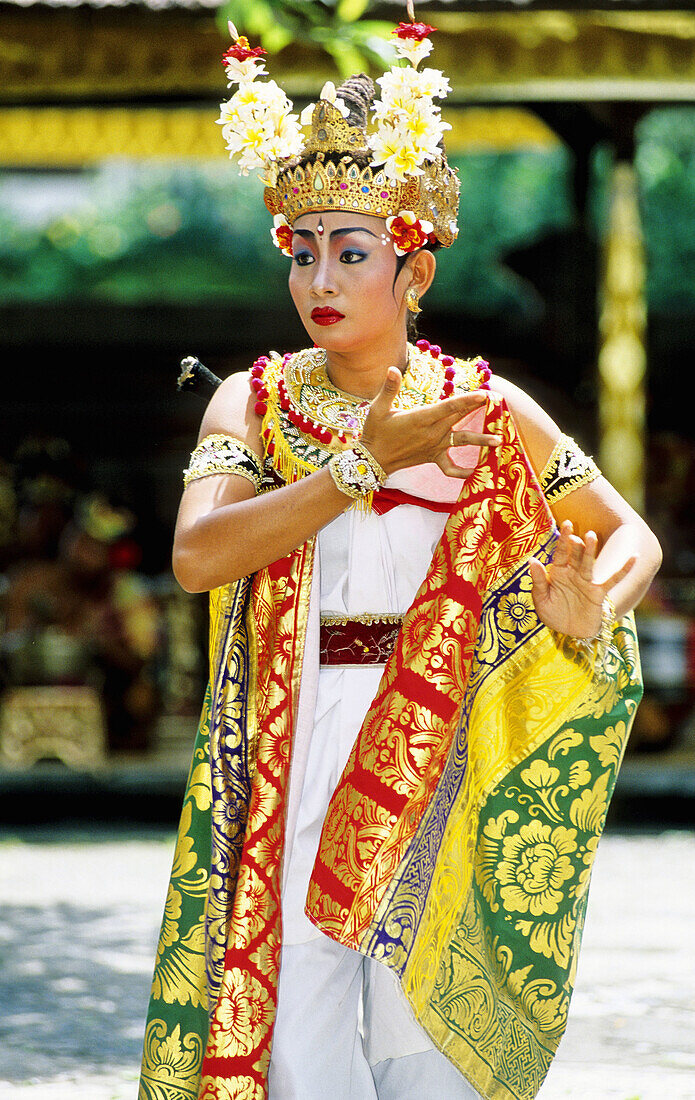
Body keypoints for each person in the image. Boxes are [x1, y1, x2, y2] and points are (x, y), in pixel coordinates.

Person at [139, 18, 661, 1100]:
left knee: (426, 1040)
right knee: (304, 1032)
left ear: (414, 265)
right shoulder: (258, 399)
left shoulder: (481, 403)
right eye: (301, 250)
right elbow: (198, 556)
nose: (318, 277)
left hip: (441, 731)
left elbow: (631, 538)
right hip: (300, 734)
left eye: (352, 251)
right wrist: (356, 466)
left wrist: (586, 611)